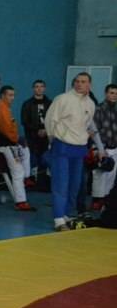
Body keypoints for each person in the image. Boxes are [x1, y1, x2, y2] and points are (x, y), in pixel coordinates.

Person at [45, 72, 98, 231]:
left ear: (89, 85)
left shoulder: (91, 104)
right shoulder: (62, 99)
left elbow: (87, 125)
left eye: (83, 82)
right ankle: (58, 219)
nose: (79, 84)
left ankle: (66, 214)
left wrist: (86, 136)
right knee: (61, 183)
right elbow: (50, 120)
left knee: (75, 185)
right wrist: (52, 140)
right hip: (62, 145)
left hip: (80, 148)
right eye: (77, 81)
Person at [0, 86, 35, 211]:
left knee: (26, 148)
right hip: (5, 145)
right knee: (18, 171)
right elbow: (6, 130)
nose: (12, 98)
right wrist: (16, 139)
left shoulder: (6, 108)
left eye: (13, 95)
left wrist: (17, 140)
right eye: (10, 95)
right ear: (2, 96)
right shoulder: (1, 109)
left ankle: (27, 177)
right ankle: (20, 201)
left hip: (10, 143)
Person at [91, 84, 117, 211]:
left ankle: (106, 200)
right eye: (112, 93)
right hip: (102, 147)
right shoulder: (98, 109)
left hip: (115, 147)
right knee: (99, 174)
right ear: (106, 94)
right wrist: (97, 149)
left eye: (116, 94)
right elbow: (93, 130)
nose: (114, 96)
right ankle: (97, 200)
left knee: (111, 175)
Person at [20, 79, 53, 175]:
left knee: (45, 160)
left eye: (41, 86)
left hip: (47, 138)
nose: (39, 89)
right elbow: (24, 121)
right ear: (33, 89)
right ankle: (31, 179)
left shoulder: (50, 104)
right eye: (36, 87)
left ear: (44, 88)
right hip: (32, 138)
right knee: (32, 161)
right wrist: (37, 130)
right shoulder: (27, 104)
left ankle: (43, 180)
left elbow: (54, 120)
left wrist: (46, 130)